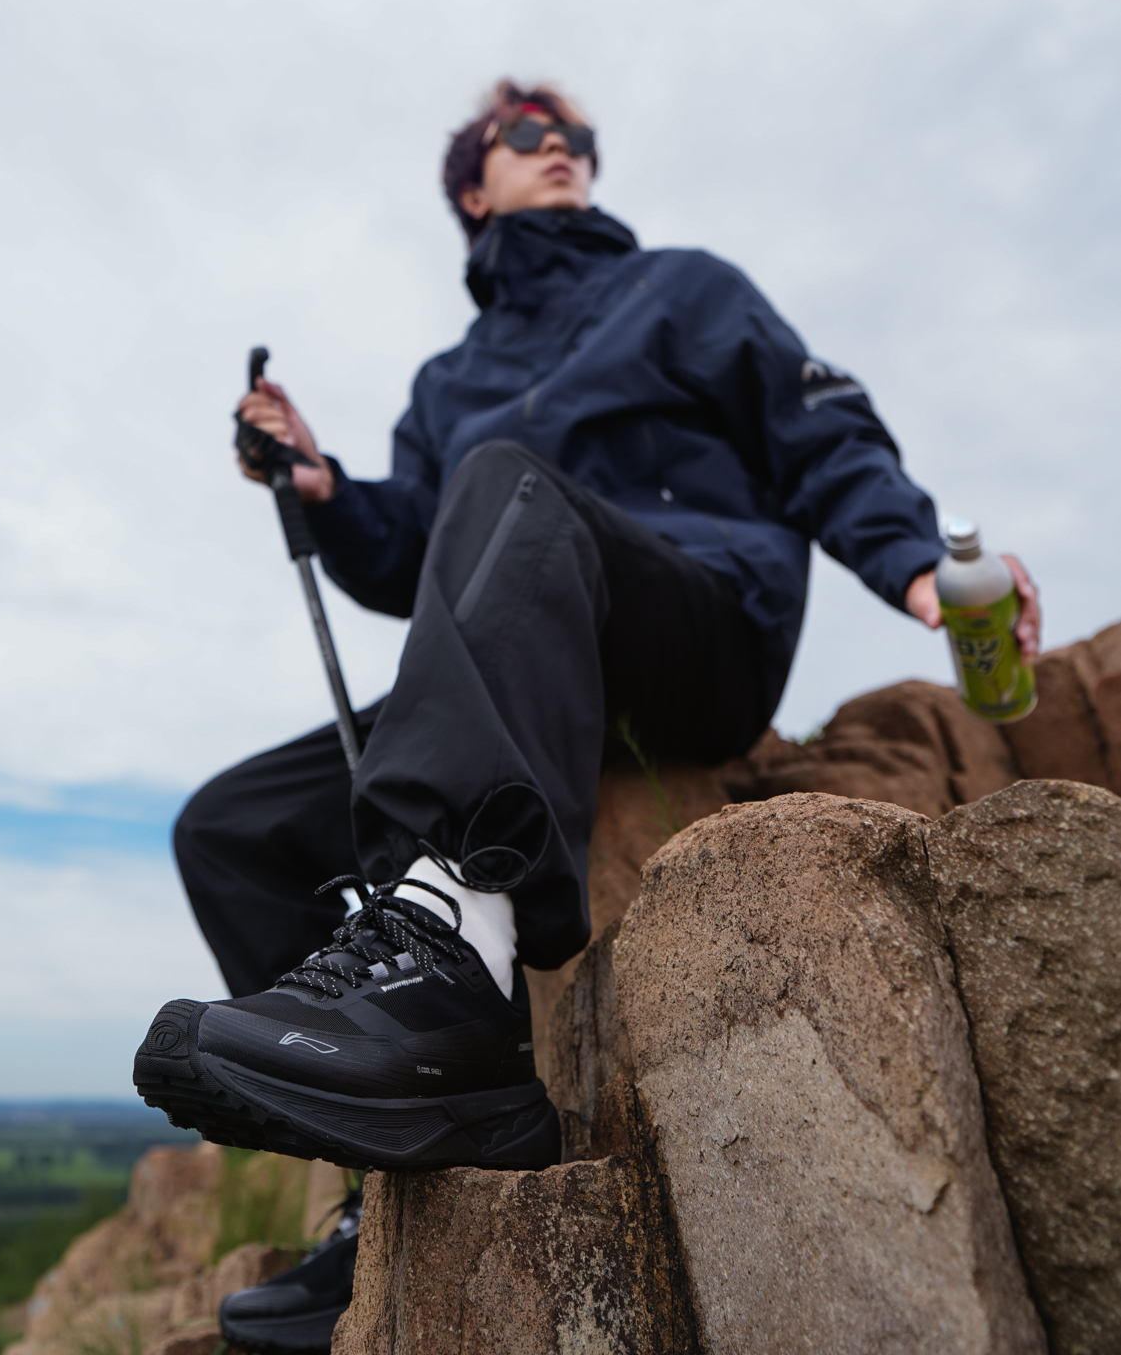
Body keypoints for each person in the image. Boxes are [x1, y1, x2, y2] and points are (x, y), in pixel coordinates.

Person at [134, 81, 1040, 1348]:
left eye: (573, 136)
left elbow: (816, 431)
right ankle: (396, 1145)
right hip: (522, 646)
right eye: (525, 134)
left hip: (694, 624)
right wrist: (326, 487)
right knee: (231, 827)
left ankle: (450, 959)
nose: (558, 145)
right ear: (473, 188)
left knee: (507, 483)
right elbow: (410, 555)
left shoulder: (681, 288)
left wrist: (913, 564)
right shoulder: (449, 381)